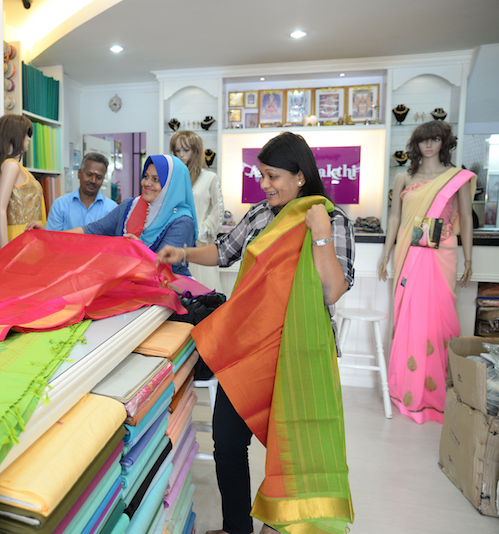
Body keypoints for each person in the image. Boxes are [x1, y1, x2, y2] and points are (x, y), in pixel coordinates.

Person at [158, 132, 355, 534]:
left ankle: (285, 524)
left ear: (300, 177)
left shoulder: (332, 220)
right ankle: (237, 528)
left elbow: (332, 290)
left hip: (298, 355)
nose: (264, 184)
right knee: (228, 443)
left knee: (294, 449)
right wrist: (184, 254)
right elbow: (224, 251)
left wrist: (319, 235)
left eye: (272, 175)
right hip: (248, 348)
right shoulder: (260, 214)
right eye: (261, 175)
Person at [378, 120, 475, 424]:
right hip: (409, 254)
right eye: (423, 140)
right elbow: (394, 218)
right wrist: (386, 251)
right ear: (416, 145)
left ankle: (438, 397)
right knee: (410, 320)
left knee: (439, 320)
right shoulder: (403, 177)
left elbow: (468, 221)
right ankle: (405, 391)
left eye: (435, 139)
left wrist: (468, 257)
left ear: (443, 143)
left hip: (440, 255)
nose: (429, 145)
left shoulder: (455, 178)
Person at [28, 154, 197, 276]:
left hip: (167, 297)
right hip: (130, 290)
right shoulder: (129, 207)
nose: (147, 183)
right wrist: (46, 235)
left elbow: (168, 269)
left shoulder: (182, 221)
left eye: (156, 179)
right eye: (146, 177)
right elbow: (91, 230)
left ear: (171, 185)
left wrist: (139, 249)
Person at [170, 130, 223, 292]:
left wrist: (203, 231)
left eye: (186, 150)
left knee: (201, 293)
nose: (181, 155)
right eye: (177, 151)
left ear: (196, 150)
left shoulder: (209, 177)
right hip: (176, 241)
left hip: (200, 243)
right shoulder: (172, 179)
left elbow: (218, 209)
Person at [0, 114, 45, 250]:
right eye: (26, 134)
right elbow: (0, 209)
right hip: (20, 239)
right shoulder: (11, 165)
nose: (29, 138)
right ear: (14, 135)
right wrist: (5, 252)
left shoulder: (18, 168)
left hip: (32, 239)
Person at [45, 152, 116, 231]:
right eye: (89, 175)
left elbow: (114, 241)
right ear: (79, 173)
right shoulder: (60, 205)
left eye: (99, 177)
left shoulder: (112, 209)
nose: (93, 181)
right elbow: (52, 239)